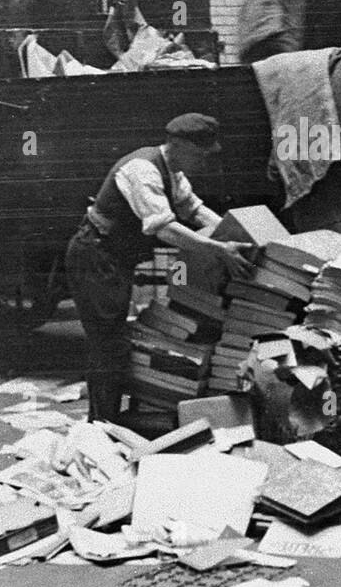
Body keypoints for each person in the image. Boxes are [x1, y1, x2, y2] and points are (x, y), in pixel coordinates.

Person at [65, 113, 253, 424]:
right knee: (108, 345)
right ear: (177, 145)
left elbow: (192, 208)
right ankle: (100, 426)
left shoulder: (172, 170)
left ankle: (107, 420)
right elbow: (164, 228)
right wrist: (220, 249)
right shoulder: (143, 170)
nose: (205, 162)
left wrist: (235, 232)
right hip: (95, 257)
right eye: (200, 154)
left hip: (114, 258)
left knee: (112, 342)